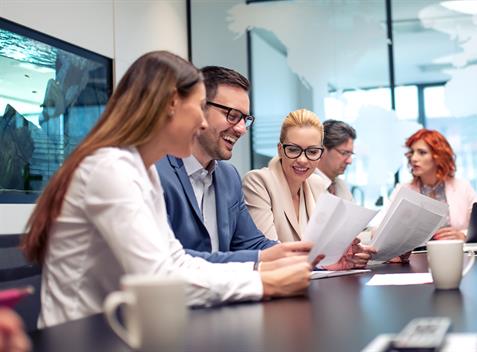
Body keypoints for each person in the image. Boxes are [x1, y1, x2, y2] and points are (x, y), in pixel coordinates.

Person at [20, 51, 311, 328]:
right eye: (198, 108)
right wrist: (263, 281)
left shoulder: (141, 171)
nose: (201, 122)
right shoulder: (111, 170)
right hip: (82, 339)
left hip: (120, 331)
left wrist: (260, 270)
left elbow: (176, 261)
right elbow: (157, 280)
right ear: (171, 103)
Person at [156, 66, 311, 264]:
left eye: (245, 119)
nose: (240, 129)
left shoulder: (228, 177)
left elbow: (253, 244)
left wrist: (318, 259)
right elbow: (169, 260)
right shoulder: (155, 173)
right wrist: (260, 259)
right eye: (232, 115)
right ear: (199, 109)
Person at [243, 109, 376, 270]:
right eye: (293, 149)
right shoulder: (258, 182)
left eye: (312, 152)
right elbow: (269, 253)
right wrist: (323, 263)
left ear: (320, 154)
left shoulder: (316, 183)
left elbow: (331, 242)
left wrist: (352, 252)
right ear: (280, 149)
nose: (302, 160)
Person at [399, 128, 477, 240]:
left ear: (439, 156)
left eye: (422, 152)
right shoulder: (403, 190)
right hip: (416, 255)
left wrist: (463, 235)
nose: (414, 158)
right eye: (412, 152)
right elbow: (381, 226)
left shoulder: (463, 187)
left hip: (455, 252)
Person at [315, 119, 356, 201]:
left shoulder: (341, 186)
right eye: (344, 153)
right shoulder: (306, 186)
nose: (349, 161)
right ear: (322, 150)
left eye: (350, 154)